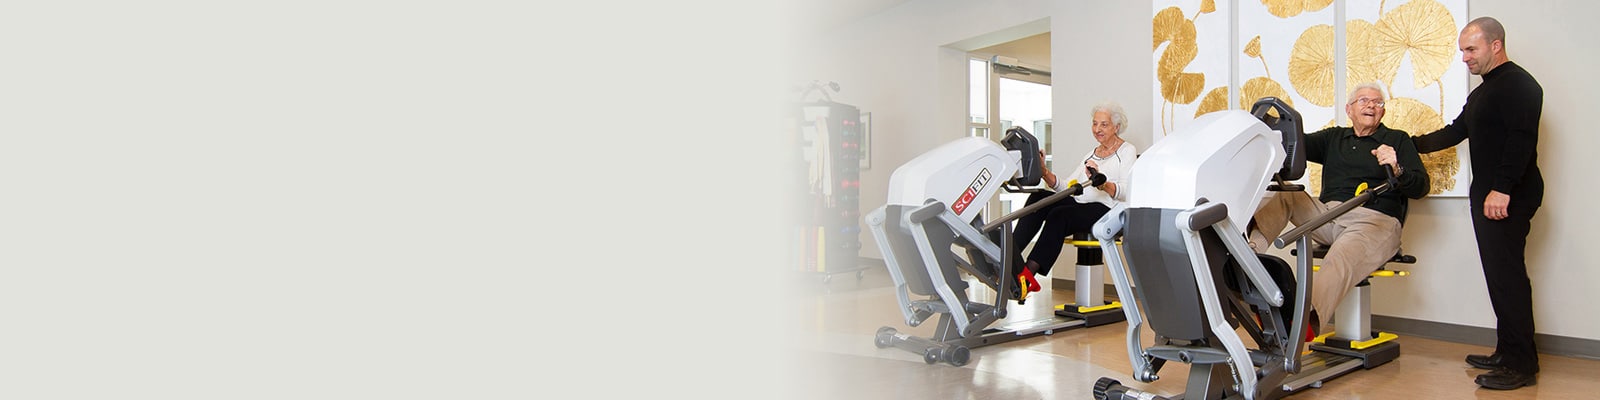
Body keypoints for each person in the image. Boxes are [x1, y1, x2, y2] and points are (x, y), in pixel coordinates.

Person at [1411, 16, 1543, 390]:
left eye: (1471, 49)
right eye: (1462, 51)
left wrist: (1502, 189)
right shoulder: (1485, 91)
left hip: (1507, 197)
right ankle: (1508, 350)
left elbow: (1522, 140)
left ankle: (1522, 365)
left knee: (1509, 279)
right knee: (1499, 278)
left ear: (1495, 44)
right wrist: (1408, 143)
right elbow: (1455, 131)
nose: (1465, 58)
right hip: (1490, 197)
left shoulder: (1519, 84)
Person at [1246, 82, 1430, 340]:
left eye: (1377, 103)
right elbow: (1291, 141)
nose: (1371, 106)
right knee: (1285, 194)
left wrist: (1397, 168)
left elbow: (1421, 187)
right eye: (1364, 100)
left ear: (1383, 112)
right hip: (1328, 217)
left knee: (1340, 255)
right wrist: (1263, 127)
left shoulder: (1396, 139)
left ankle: (1302, 322)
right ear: (1349, 109)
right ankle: (1249, 257)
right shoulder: (1334, 138)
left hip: (1374, 221)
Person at [1010, 101, 1136, 299]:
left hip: (1108, 210)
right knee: (1039, 198)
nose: (1097, 129)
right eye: (1095, 124)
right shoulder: (1091, 154)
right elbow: (1067, 187)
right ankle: (1008, 259)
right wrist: (1043, 171)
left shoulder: (1127, 151)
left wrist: (1103, 183)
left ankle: (1028, 276)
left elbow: (1127, 192)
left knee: (1061, 215)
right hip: (1082, 205)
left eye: (1104, 124)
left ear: (1116, 127)